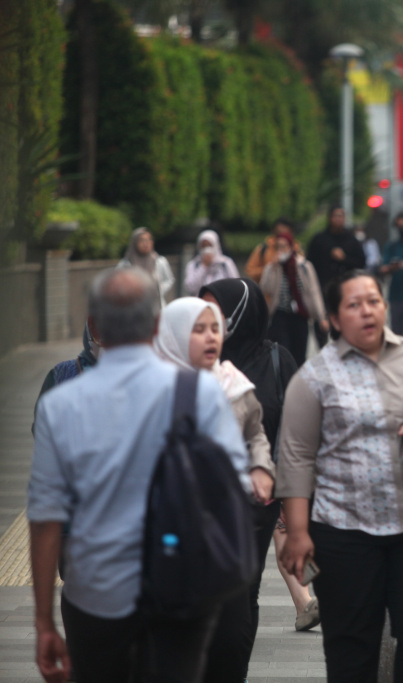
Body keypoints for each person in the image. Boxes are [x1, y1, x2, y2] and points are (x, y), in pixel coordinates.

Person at [28, 267, 248, 683]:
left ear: (94, 323)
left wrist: (43, 621)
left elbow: (44, 518)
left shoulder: (61, 404)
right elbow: (234, 486)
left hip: (94, 593)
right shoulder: (198, 391)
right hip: (183, 587)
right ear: (157, 323)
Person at [276, 270, 403, 682]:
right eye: (353, 304)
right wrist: (297, 532)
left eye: (374, 301)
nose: (367, 311)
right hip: (342, 530)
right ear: (332, 317)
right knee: (350, 646)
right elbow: (295, 457)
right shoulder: (313, 377)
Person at [153, 296, 276, 683]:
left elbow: (256, 431)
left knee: (229, 639)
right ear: (172, 334)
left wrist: (261, 466)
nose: (211, 338)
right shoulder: (153, 388)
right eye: (198, 329)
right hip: (168, 536)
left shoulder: (232, 382)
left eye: (216, 329)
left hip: (226, 530)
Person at [197, 278, 319, 638]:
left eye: (216, 313)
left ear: (240, 314)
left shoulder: (279, 360)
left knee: (242, 593)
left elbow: (300, 430)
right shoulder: (191, 365)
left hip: (260, 499)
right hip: (198, 501)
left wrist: (289, 488)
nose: (209, 327)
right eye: (201, 316)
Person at [259, 231, 329, 366]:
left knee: (299, 353)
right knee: (283, 351)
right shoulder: (273, 267)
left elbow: (314, 291)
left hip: (300, 316)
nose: (281, 250)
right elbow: (266, 287)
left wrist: (321, 317)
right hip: (280, 314)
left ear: (291, 247)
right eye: (278, 247)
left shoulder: (303, 266)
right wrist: (273, 267)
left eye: (284, 247)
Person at [306, 206, 367, 346]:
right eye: (335, 216)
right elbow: (309, 264)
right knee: (321, 324)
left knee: (342, 322)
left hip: (345, 290)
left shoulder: (351, 240)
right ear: (329, 218)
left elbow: (361, 263)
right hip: (322, 289)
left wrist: (344, 259)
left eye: (341, 216)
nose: (338, 219)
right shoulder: (319, 240)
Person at [118, 227, 175, 304]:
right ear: (134, 242)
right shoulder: (125, 264)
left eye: (149, 240)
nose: (146, 243)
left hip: (155, 304)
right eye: (142, 240)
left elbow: (169, 280)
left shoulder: (159, 261)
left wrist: (159, 290)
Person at [245, 218, 303, 283]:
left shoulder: (296, 250)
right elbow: (250, 271)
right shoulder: (264, 249)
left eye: (286, 235)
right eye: (279, 234)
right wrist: (270, 268)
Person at [184, 229, 239, 296]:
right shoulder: (194, 265)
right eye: (203, 246)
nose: (206, 249)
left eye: (209, 245)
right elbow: (190, 287)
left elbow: (235, 285)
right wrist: (204, 266)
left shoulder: (225, 263)